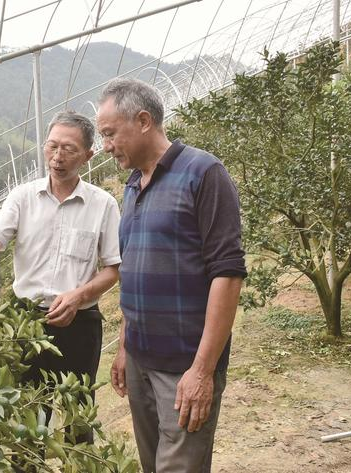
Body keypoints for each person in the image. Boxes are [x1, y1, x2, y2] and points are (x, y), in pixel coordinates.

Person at [97, 77, 246, 473]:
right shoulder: (132, 186)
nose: (106, 146)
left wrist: (202, 370)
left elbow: (227, 275)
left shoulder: (203, 173)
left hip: (184, 366)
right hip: (140, 362)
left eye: (111, 134)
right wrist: (125, 345)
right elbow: (134, 273)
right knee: (152, 465)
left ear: (143, 120)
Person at [0, 110, 121, 446]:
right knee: (25, 421)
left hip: (79, 324)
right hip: (24, 323)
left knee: (77, 418)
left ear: (88, 155)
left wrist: (78, 296)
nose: (57, 157)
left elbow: (113, 269)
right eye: (52, 146)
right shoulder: (23, 197)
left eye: (69, 149)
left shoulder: (103, 205)